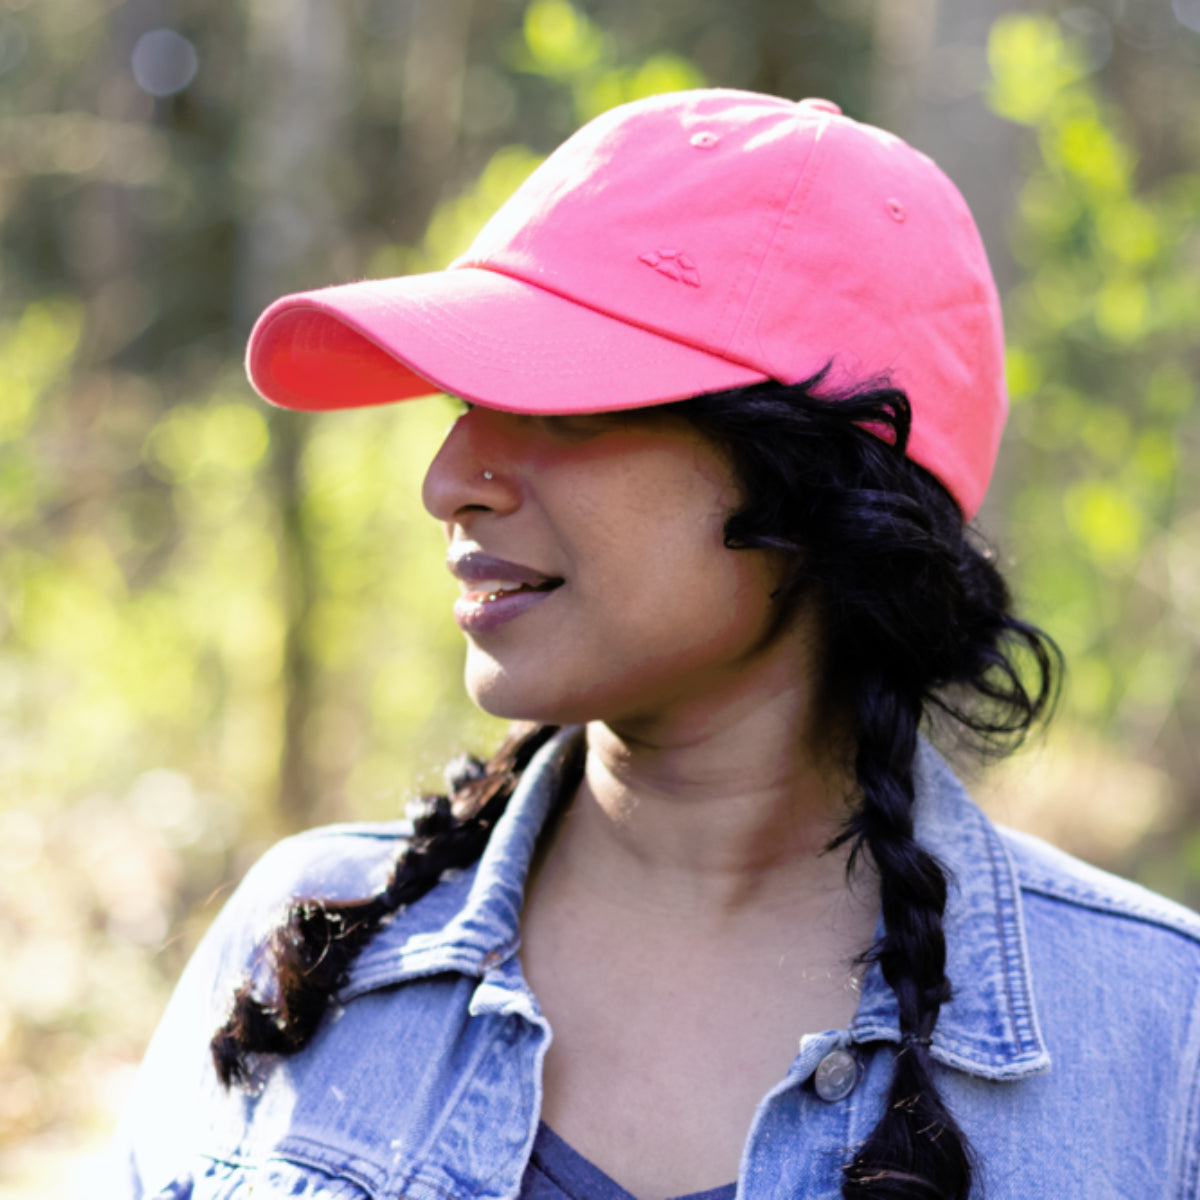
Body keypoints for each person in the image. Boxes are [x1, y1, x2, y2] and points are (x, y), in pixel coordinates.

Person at [117, 90, 1200, 1200]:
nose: (446, 482)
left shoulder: (1162, 1039)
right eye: (459, 400)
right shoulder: (304, 951)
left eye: (558, 405)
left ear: (819, 481)